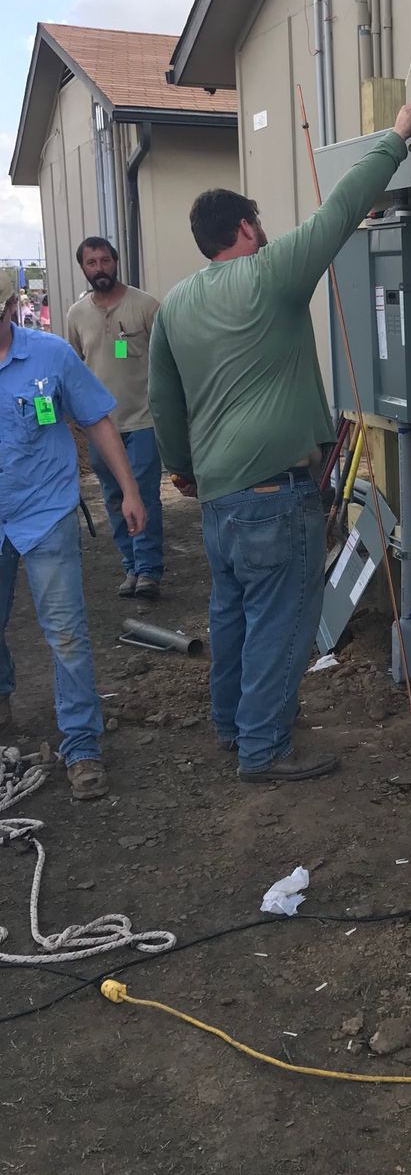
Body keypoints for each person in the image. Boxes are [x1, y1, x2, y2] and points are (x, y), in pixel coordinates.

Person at [149, 97, 411, 785]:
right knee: (279, 622)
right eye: (260, 224)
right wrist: (397, 135)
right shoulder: (270, 275)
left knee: (236, 614)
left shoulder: (173, 305)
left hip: (218, 502)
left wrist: (183, 470)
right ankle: (264, 749)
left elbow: (164, 400)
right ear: (245, 228)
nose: (267, 232)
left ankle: (232, 727)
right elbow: (340, 213)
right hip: (275, 494)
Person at [0, 266, 146, 799]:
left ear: (12, 306)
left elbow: (97, 421)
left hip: (46, 513)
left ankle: (82, 746)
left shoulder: (49, 356)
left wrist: (129, 491)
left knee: (65, 635)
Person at [66, 238, 164, 600]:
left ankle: (149, 570)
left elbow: (167, 358)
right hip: (98, 426)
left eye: (104, 260)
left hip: (141, 421)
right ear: (83, 268)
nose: (99, 268)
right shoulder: (76, 314)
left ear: (116, 261)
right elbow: (74, 367)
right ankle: (130, 567)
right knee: (112, 497)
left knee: (143, 496)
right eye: (91, 263)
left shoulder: (146, 306)